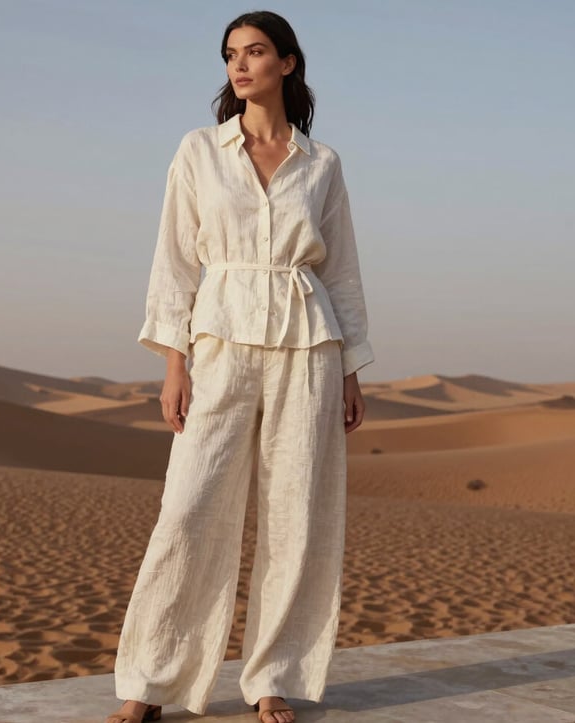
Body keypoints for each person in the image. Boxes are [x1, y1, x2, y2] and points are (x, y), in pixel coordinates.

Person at [107, 10, 374, 723]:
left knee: (299, 512)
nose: (240, 64)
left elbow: (342, 273)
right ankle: (150, 681)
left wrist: (350, 367)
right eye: (231, 54)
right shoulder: (199, 150)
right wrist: (174, 363)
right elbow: (174, 259)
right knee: (188, 508)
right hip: (220, 339)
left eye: (255, 51)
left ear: (288, 63)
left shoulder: (323, 164)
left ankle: (271, 678)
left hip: (308, 343)